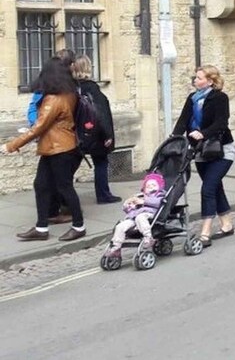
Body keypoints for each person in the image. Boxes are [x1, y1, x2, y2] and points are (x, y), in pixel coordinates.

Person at [1, 58, 87, 242]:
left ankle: (79, 226)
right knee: (41, 185)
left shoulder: (53, 99)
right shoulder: (68, 93)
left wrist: (12, 145)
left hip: (59, 149)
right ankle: (41, 228)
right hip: (55, 147)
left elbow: (38, 127)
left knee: (64, 187)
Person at [172, 65, 235, 247]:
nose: (195, 80)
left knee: (208, 188)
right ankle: (227, 225)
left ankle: (205, 232)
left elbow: (221, 123)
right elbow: (183, 121)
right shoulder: (192, 98)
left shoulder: (220, 98)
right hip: (200, 151)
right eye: (196, 77)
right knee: (215, 187)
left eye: (199, 78)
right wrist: (174, 140)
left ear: (210, 81)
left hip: (221, 150)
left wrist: (204, 133)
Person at [71, 54, 120, 204]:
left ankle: (60, 197)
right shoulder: (92, 88)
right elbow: (101, 114)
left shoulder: (73, 88)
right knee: (100, 163)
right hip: (95, 134)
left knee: (71, 165)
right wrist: (107, 135)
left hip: (78, 133)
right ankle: (103, 195)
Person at [102, 173, 166, 260]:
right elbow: (129, 211)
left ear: (159, 186)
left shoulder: (159, 195)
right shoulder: (140, 195)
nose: (151, 187)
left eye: (154, 185)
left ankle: (148, 237)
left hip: (149, 213)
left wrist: (143, 201)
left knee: (140, 217)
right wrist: (128, 206)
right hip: (134, 216)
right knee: (120, 226)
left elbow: (157, 203)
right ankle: (116, 247)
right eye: (148, 186)